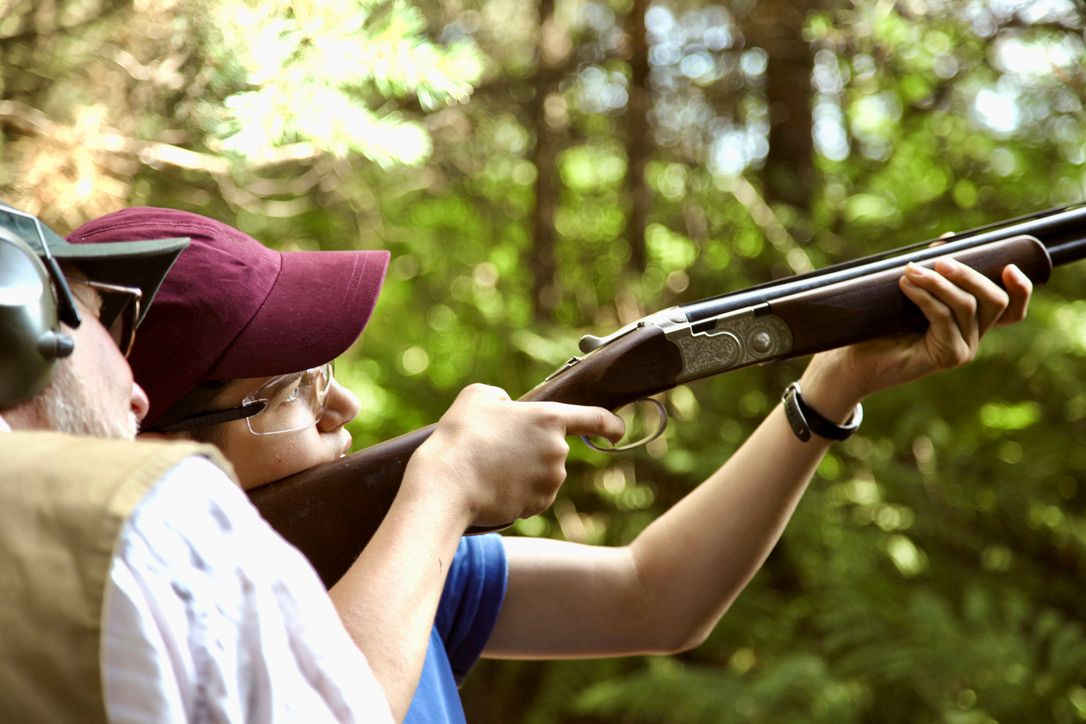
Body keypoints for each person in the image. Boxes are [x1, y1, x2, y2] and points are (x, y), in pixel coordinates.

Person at [68, 206, 1034, 722]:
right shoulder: (118, 624)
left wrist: (831, 388)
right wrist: (440, 491)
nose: (344, 402)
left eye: (326, 371)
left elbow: (654, 596)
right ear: (152, 437)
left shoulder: (379, 560)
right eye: (288, 390)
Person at [1, 201, 420, 722]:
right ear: (19, 326)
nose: (135, 398)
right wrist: (441, 493)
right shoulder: (155, 511)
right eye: (100, 317)